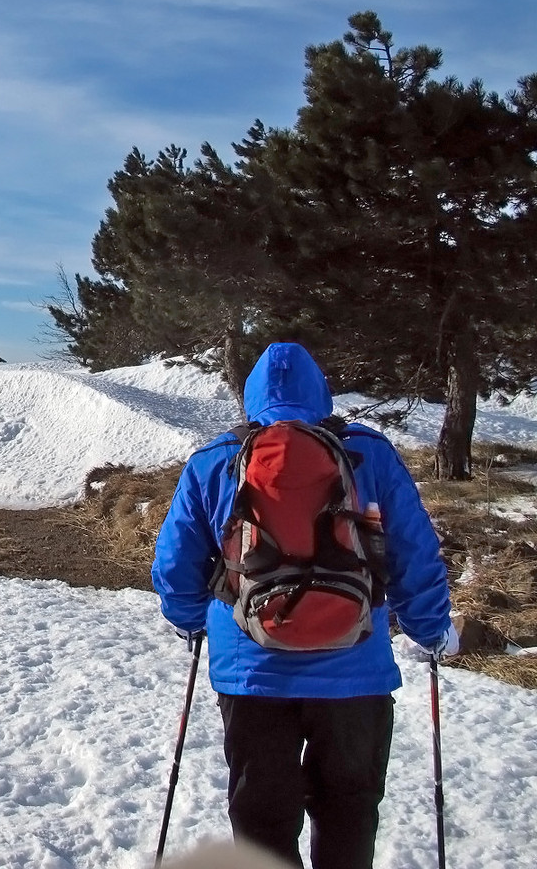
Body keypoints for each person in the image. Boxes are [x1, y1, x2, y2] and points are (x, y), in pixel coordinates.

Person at [152, 342, 458, 869]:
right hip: (355, 668)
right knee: (348, 808)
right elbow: (414, 549)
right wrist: (429, 629)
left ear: (250, 397)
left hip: (252, 669)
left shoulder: (215, 461)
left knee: (262, 815)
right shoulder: (372, 454)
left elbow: (176, 560)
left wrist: (187, 620)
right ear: (321, 391)